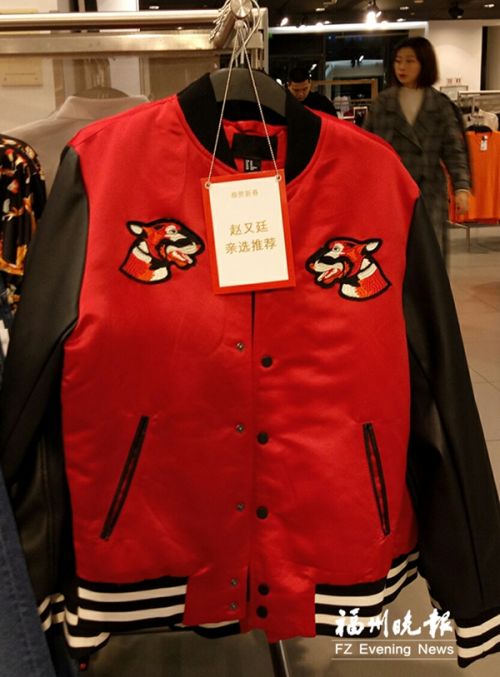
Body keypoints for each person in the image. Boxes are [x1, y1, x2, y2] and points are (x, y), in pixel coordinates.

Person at [364, 37, 471, 252]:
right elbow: (366, 148)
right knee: (393, 250)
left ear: (425, 63)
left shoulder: (439, 104)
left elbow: (453, 149)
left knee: (429, 251)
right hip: (392, 190)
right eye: (398, 61)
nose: (402, 67)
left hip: (429, 191)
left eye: (409, 61)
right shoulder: (382, 103)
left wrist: (461, 187)